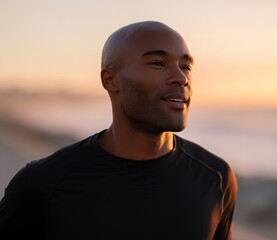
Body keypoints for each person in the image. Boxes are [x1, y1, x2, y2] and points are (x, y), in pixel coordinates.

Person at [0, 21, 237, 240]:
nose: (181, 77)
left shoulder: (215, 178)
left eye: (186, 66)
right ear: (110, 79)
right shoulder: (42, 183)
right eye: (158, 63)